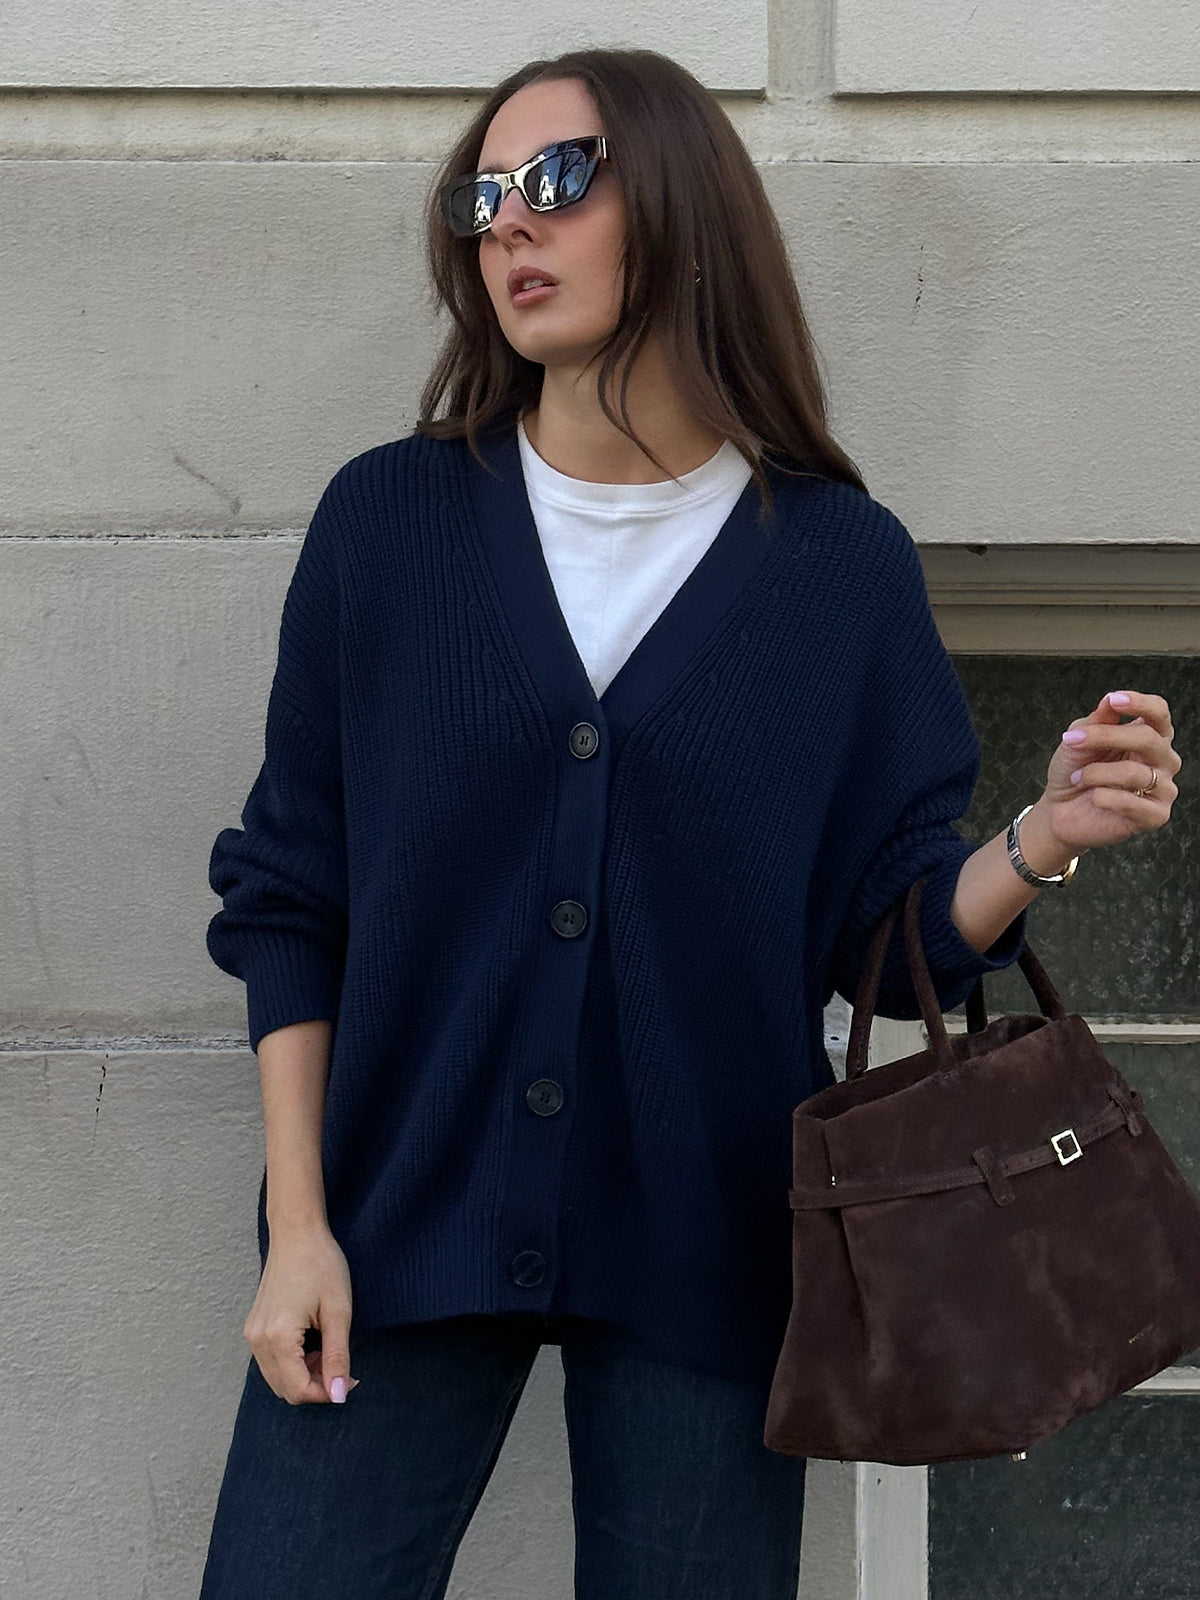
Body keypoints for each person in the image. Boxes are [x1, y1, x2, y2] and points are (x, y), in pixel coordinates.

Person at [196, 46, 1182, 1600]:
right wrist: (299, 1230)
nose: (509, 228)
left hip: (709, 1248)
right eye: (483, 199)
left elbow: (884, 941)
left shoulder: (834, 569)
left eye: (559, 184)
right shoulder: (390, 527)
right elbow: (289, 896)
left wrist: (1039, 838)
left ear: (680, 207)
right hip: (392, 1226)